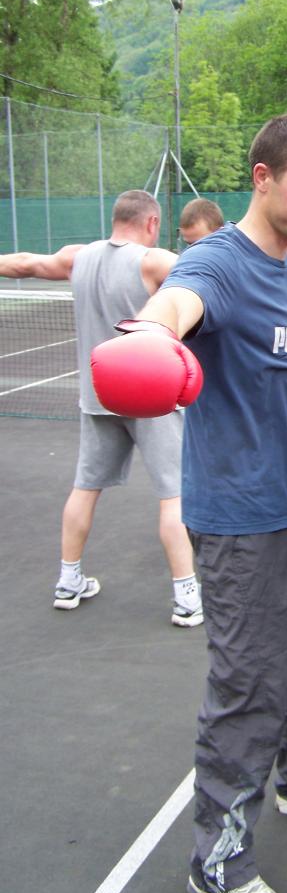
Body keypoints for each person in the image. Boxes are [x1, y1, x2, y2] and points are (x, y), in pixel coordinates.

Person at [90, 115, 287, 893]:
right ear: (261, 177)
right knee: (247, 689)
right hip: (236, 516)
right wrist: (147, 340)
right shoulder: (218, 264)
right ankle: (218, 862)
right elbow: (175, 305)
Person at [0, 189, 203, 627]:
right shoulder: (152, 261)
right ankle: (187, 596)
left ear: (116, 218)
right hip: (150, 398)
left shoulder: (78, 257)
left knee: (84, 488)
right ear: (151, 223)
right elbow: (212, 276)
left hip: (99, 395)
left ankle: (68, 580)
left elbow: (23, 263)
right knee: (174, 496)